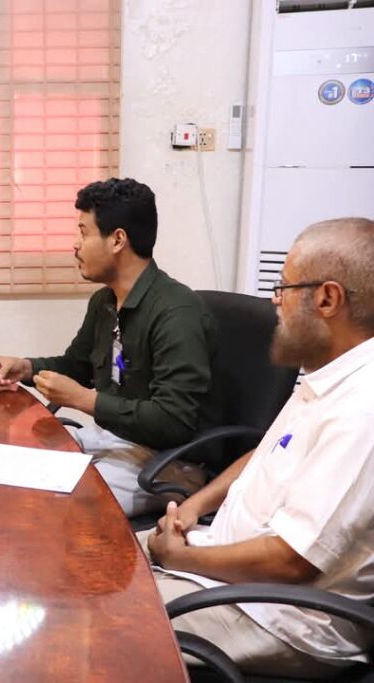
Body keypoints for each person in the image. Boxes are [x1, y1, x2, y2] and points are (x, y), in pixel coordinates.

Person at [146, 217, 374, 678]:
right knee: (90, 558)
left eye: (283, 287)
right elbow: (269, 452)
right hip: (225, 565)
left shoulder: (361, 409)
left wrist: (179, 557)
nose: (275, 300)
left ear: (327, 299)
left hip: (279, 616)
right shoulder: (329, 373)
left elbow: (293, 562)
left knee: (95, 618)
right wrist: (193, 507)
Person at [0, 177, 216, 516]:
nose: (75, 245)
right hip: (112, 440)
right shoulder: (105, 302)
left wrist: (84, 399)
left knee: (54, 508)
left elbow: (174, 420)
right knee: (10, 467)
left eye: (84, 233)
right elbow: (77, 366)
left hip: (168, 460)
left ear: (118, 240)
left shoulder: (176, 312)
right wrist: (27, 368)